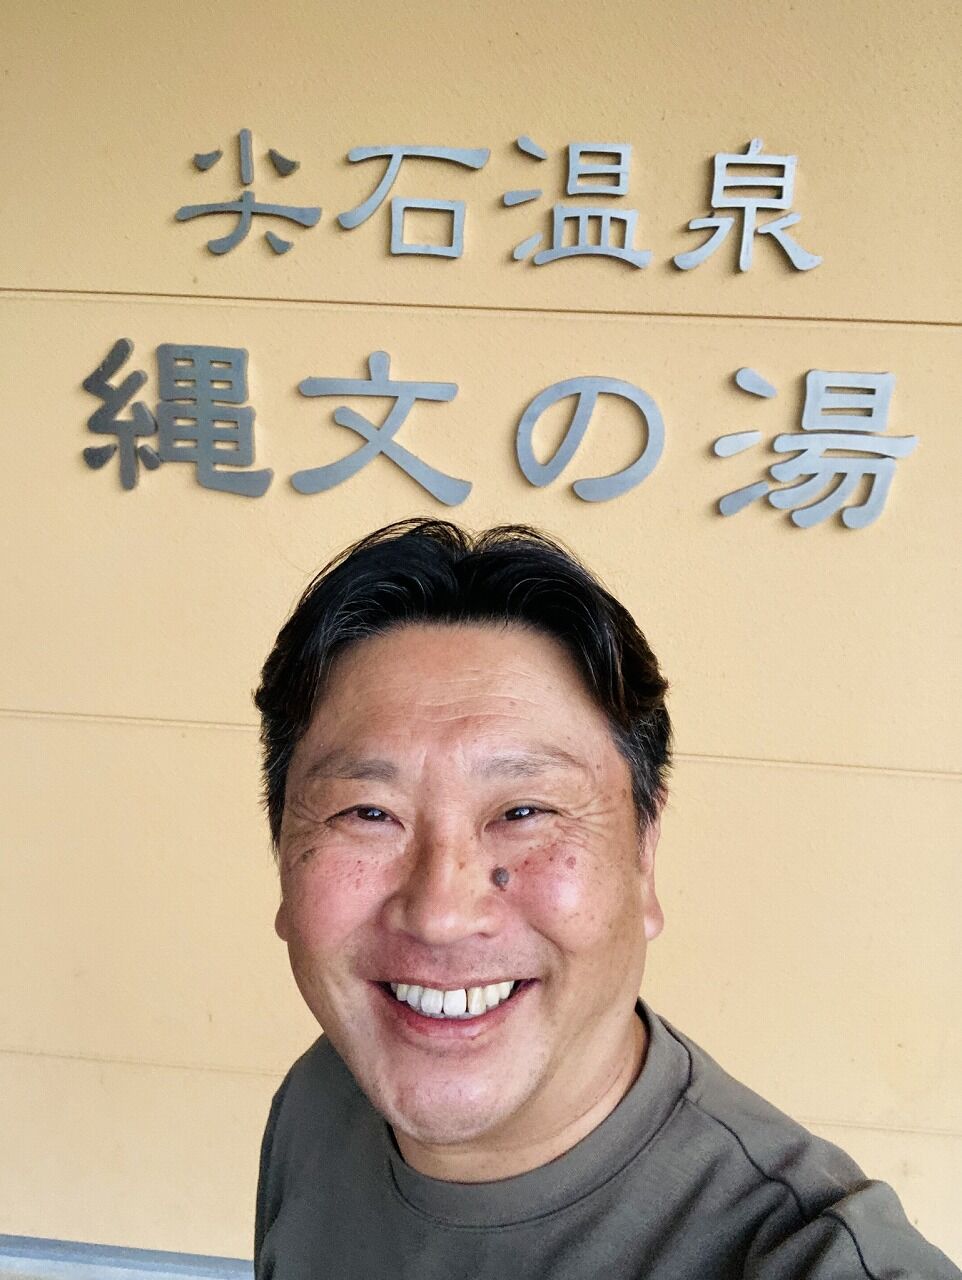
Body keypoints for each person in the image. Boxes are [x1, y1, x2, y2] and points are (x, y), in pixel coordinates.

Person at [253, 519, 958, 1279]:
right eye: (367, 813)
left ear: (644, 852)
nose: (442, 913)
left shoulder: (805, 1259)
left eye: (525, 811)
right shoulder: (323, 1097)